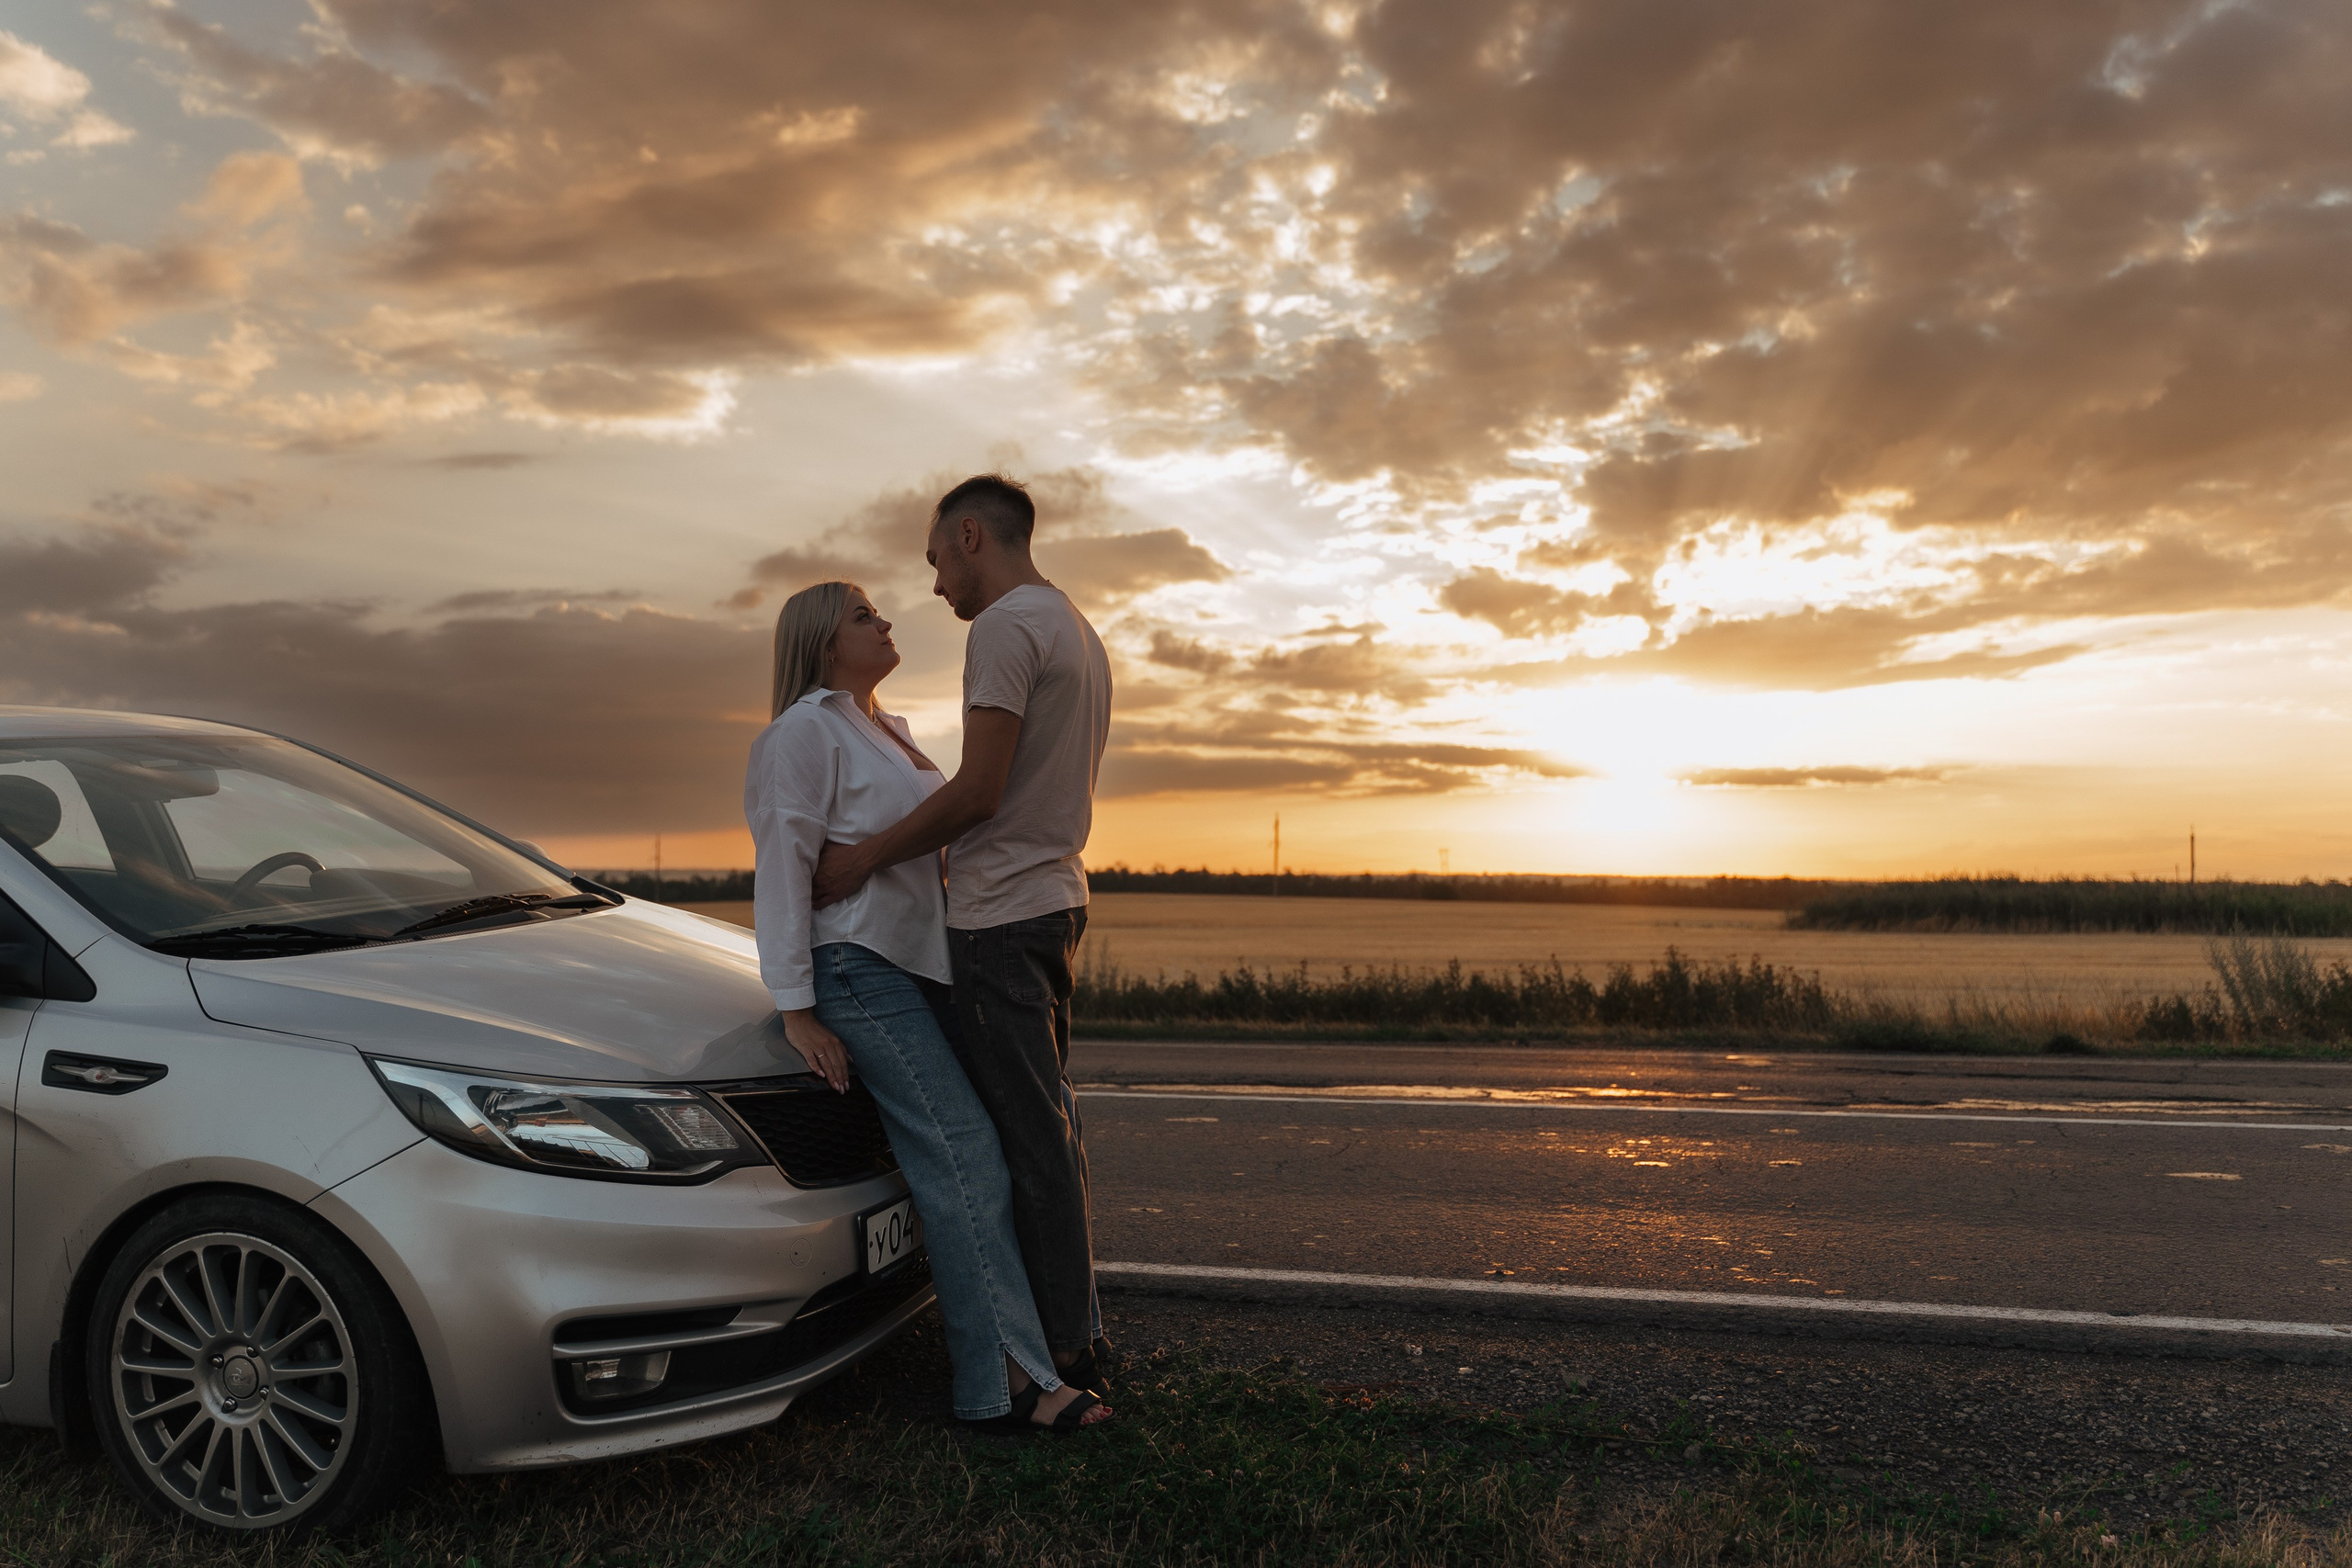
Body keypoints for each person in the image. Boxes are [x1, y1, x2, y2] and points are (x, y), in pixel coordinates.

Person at [745, 579, 1110, 1434]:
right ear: (824, 642)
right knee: (966, 1154)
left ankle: (1038, 1344)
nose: (886, 621)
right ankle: (1010, 1382)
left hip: (920, 968)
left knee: (1014, 1134)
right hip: (855, 966)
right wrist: (796, 1006)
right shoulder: (800, 733)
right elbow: (783, 866)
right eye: (863, 616)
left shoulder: (889, 732)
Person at [812, 474, 1114, 1393]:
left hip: (1001, 914)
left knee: (1022, 1140)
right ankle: (1075, 1331)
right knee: (1048, 1127)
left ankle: (1059, 1352)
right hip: (1054, 897)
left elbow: (979, 791)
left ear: (972, 536)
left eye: (937, 558)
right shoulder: (1074, 627)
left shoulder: (1005, 629)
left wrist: (865, 858)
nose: (936, 586)